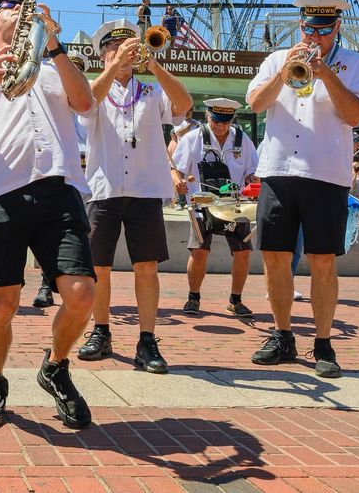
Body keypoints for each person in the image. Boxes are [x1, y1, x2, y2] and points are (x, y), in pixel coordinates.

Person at [0, 0, 97, 430]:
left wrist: (54, 45)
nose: (20, 10)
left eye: (21, 5)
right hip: (2, 193)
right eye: (9, 7)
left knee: (82, 294)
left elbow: (85, 104)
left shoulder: (53, 67)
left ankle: (56, 367)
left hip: (59, 189)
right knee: (3, 301)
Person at [246, 0, 359, 378]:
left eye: (322, 29)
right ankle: (282, 334)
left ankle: (323, 342)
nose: (313, 36)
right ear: (300, 26)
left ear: (337, 27)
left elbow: (354, 115)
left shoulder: (355, 65)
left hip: (325, 175)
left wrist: (326, 74)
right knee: (274, 256)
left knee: (322, 261)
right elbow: (255, 103)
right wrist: (284, 70)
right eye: (307, 28)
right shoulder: (276, 59)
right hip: (278, 171)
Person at [76, 19, 191, 373]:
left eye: (128, 49)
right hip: (103, 188)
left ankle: (147, 339)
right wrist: (112, 69)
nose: (123, 53)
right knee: (99, 267)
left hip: (144, 190)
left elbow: (184, 104)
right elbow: (83, 107)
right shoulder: (94, 90)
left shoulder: (151, 92)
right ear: (103, 55)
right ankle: (101, 330)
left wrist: (153, 63)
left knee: (146, 266)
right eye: (114, 49)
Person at [172, 98, 259, 317]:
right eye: (216, 120)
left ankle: (235, 300)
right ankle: (193, 297)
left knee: (243, 253)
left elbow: (252, 171)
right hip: (202, 204)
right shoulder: (193, 138)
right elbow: (176, 169)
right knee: (199, 252)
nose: (220, 126)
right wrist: (177, 183)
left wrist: (253, 181)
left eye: (225, 121)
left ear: (232, 120)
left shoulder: (243, 140)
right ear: (208, 117)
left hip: (234, 205)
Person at [33, 50, 91, 310]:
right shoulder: (49, 107)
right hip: (56, 181)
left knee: (76, 241)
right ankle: (46, 284)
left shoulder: (86, 112)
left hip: (82, 184)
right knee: (46, 236)